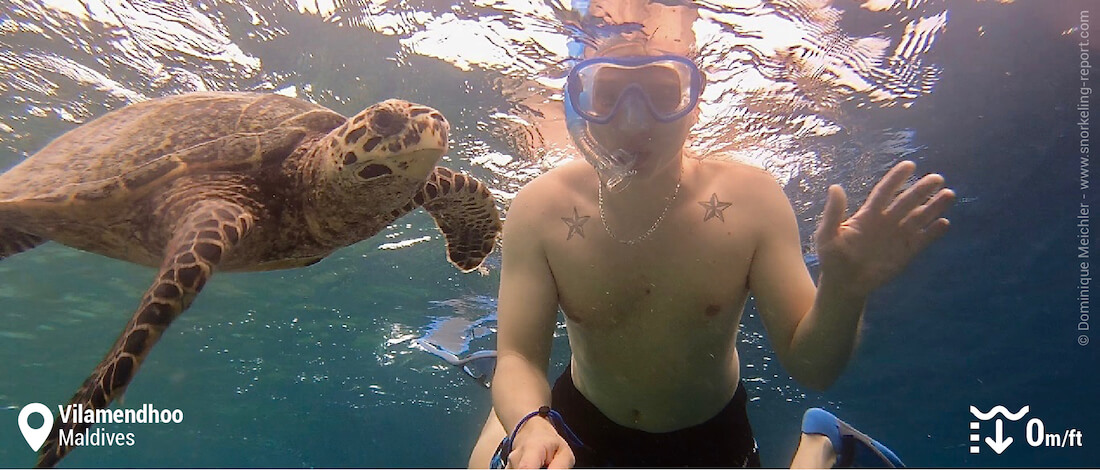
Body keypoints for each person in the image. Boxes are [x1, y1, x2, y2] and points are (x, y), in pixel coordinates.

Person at [467, 39, 955, 468]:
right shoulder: (540, 208)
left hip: (710, 436)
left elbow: (814, 367)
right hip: (582, 422)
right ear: (580, 105)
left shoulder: (752, 200)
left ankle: (820, 444)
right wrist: (531, 423)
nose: (635, 121)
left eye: (661, 95)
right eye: (609, 96)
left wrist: (845, 291)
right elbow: (516, 356)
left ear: (694, 105)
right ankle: (506, 424)